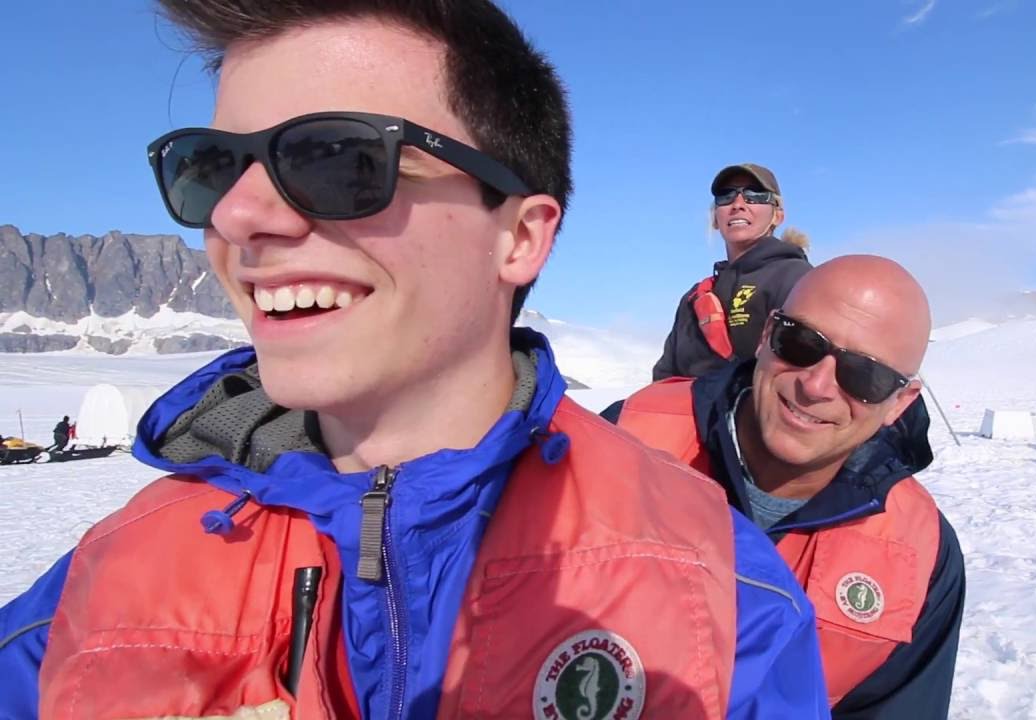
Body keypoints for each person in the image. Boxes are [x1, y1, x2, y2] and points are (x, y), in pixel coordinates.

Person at [0, 1, 829, 717]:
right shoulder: (90, 604)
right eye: (211, 168)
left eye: (338, 158)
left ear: (520, 235)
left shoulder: (723, 602)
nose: (240, 215)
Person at [608, 255, 965, 718]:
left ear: (900, 402)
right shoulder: (627, 438)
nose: (817, 385)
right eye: (799, 343)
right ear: (765, 335)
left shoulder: (921, 555)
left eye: (865, 375)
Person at [652, 163, 812, 381]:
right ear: (716, 217)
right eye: (726, 196)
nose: (738, 204)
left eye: (755, 195)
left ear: (777, 216)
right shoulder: (694, 297)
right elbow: (664, 376)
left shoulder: (797, 279)